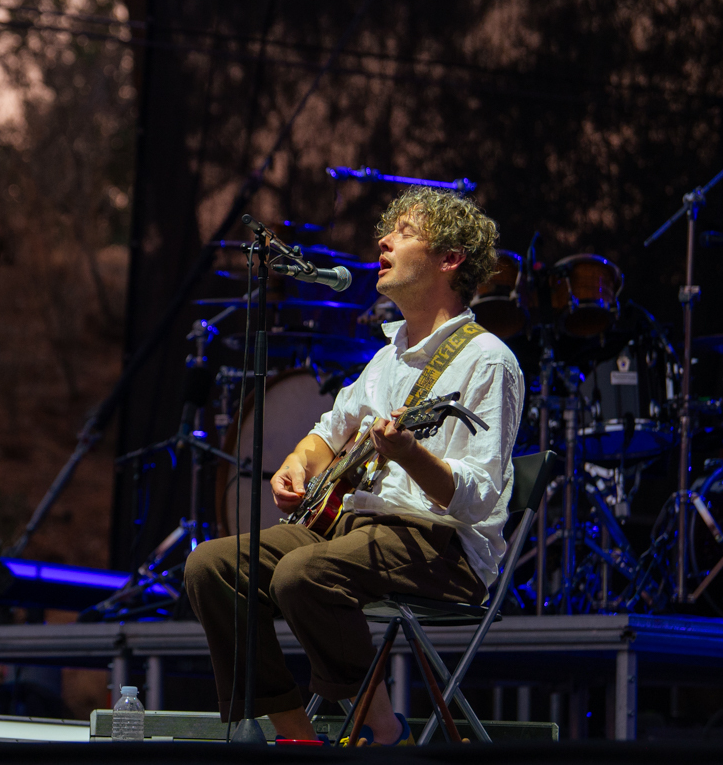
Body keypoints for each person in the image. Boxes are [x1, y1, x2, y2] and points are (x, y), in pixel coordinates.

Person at [183, 187, 523, 745]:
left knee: (303, 575)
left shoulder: (488, 360)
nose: (384, 242)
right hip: (353, 530)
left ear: (451, 258)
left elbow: (479, 496)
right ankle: (298, 737)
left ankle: (382, 728)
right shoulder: (388, 358)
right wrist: (295, 465)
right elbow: (330, 430)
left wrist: (410, 455)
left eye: (406, 233)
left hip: (441, 548)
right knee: (212, 566)